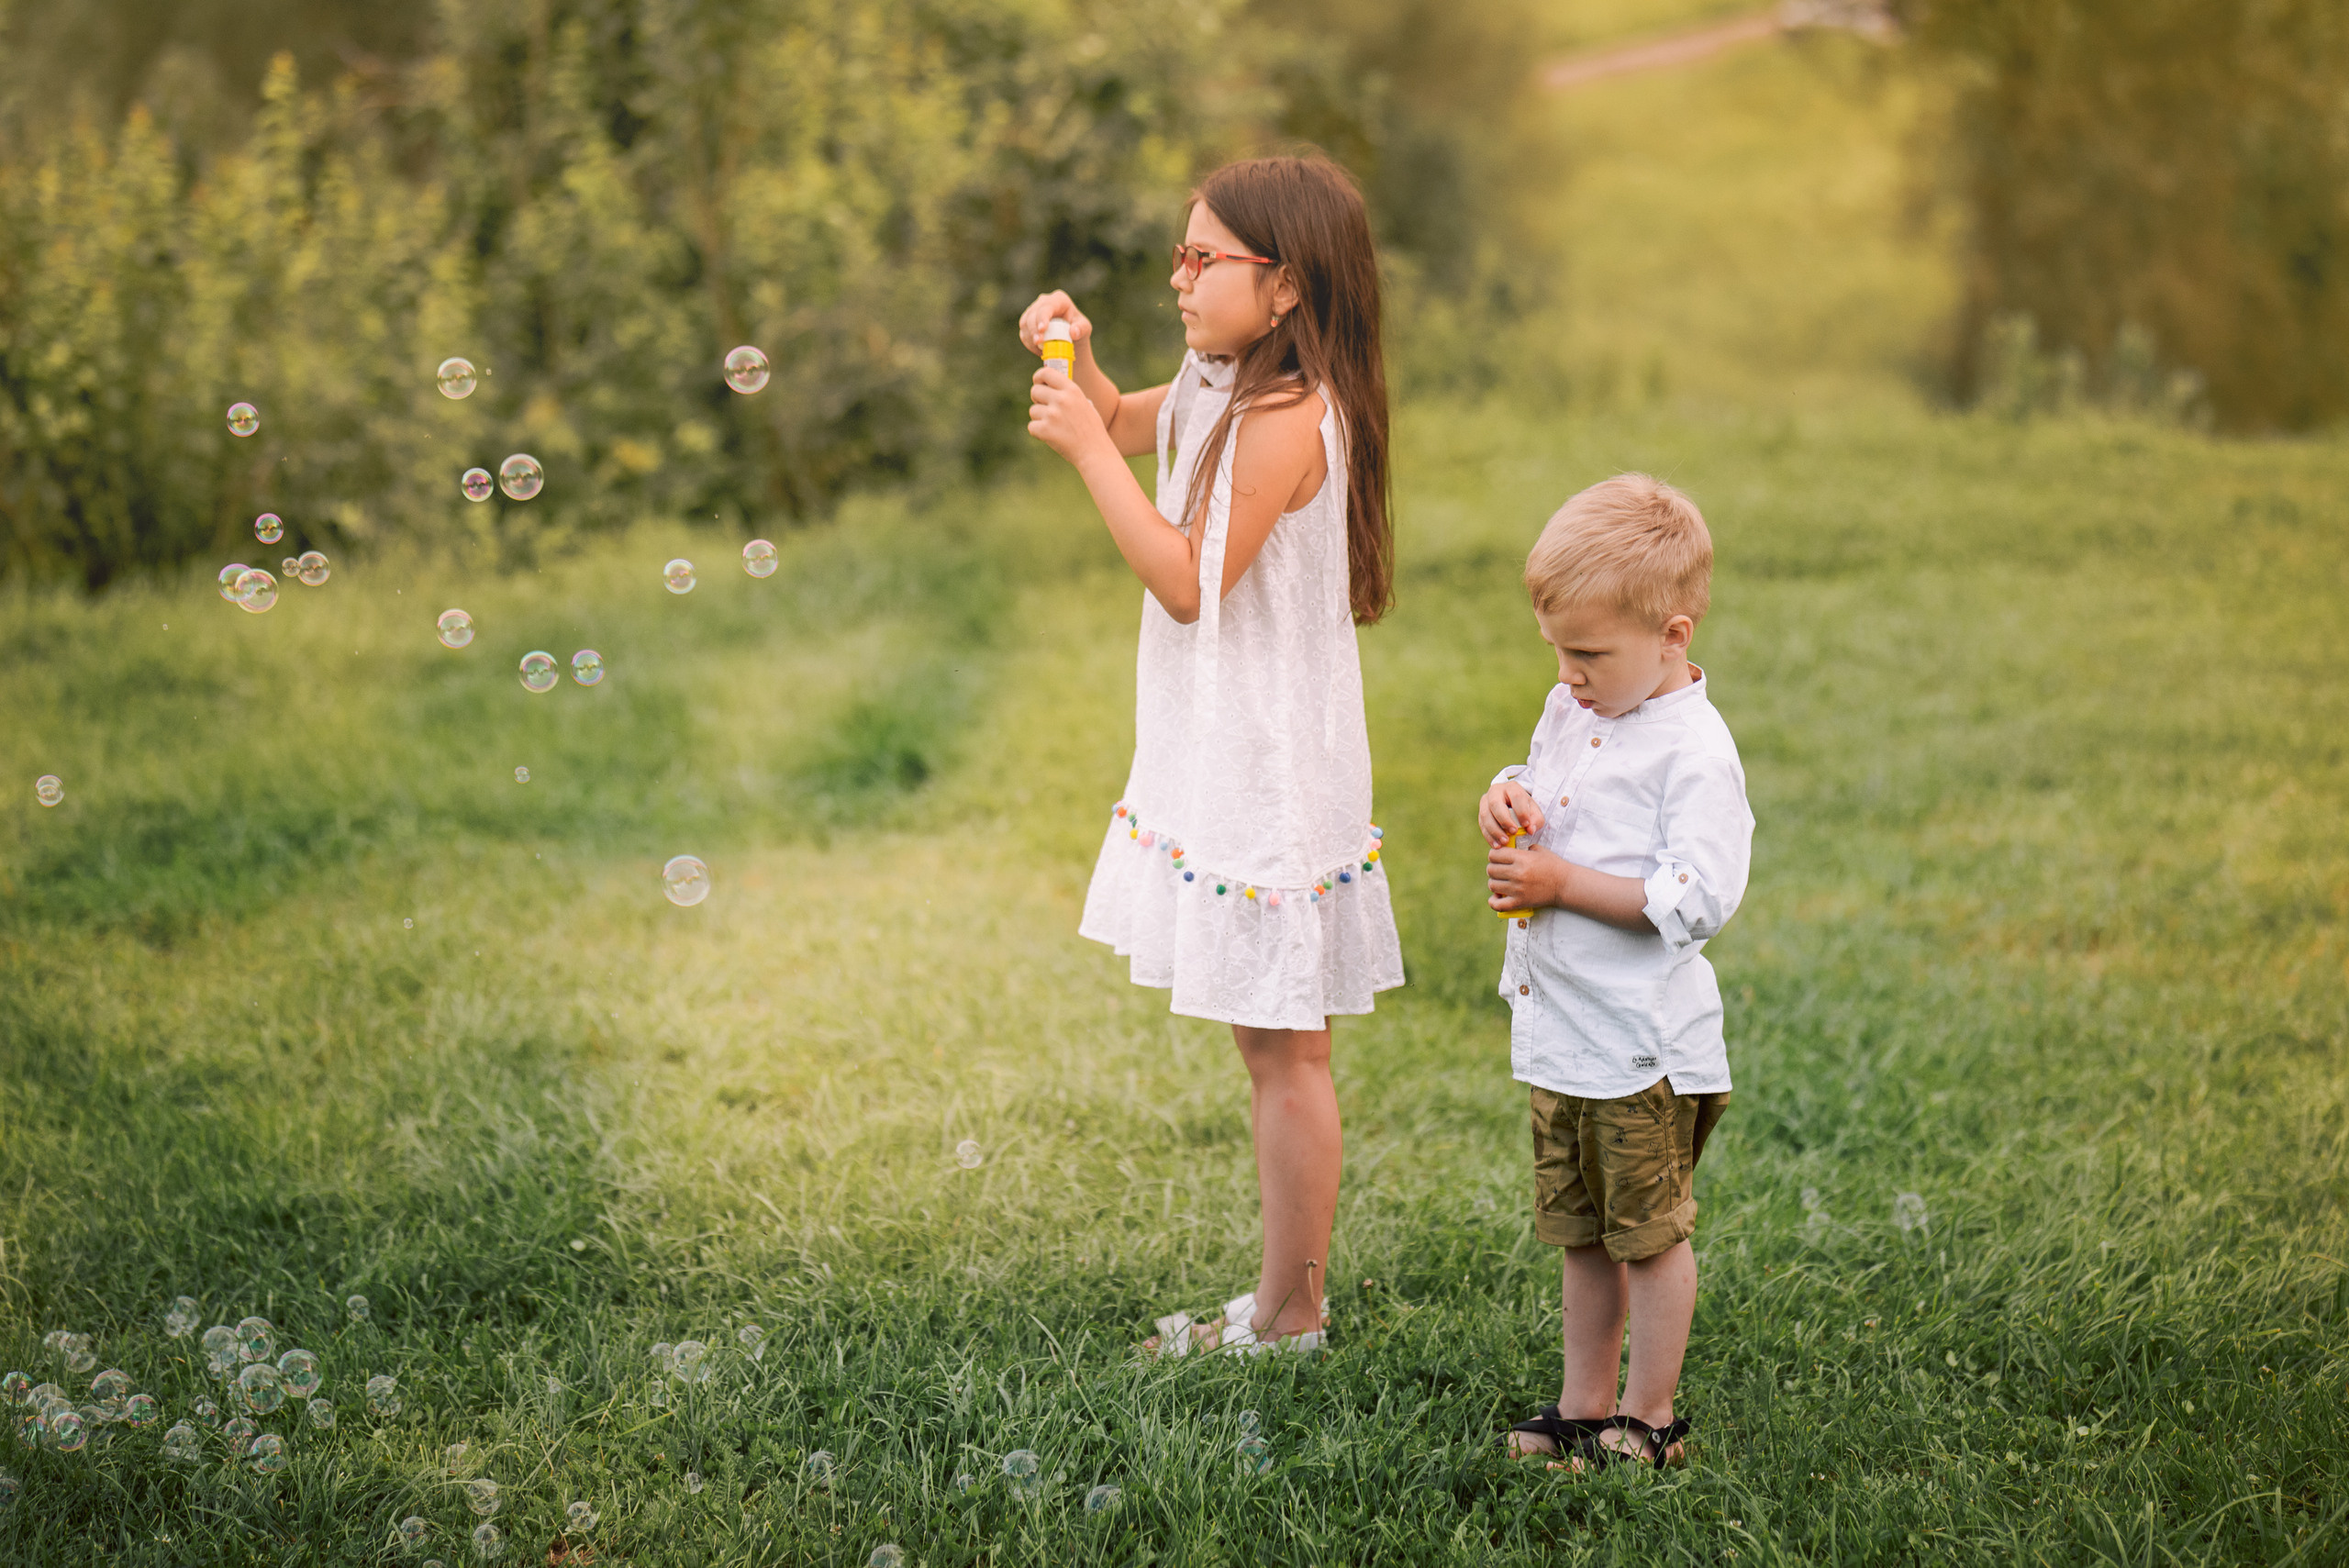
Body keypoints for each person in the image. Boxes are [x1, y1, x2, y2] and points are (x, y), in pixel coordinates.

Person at [1019, 154, 1404, 1355]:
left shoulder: (1293, 418)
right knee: (1267, 1046)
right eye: (1177, 254)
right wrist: (1080, 371)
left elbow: (1189, 580)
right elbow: (1145, 420)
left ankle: (1292, 1316)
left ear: (1285, 286)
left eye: (1204, 260)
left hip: (1275, 768)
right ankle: (1285, 1300)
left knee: (1289, 1053)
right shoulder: (1223, 374)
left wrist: (1086, 453)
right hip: (1225, 747)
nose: (1178, 279)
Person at [1479, 475, 1753, 1468]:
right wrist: (1506, 799)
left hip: (1640, 1048)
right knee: (1582, 1235)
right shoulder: (1576, 705)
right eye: (1557, 648)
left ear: (1671, 633)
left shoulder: (1693, 751)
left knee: (1648, 1238)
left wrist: (1557, 880)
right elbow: (1542, 780)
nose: (1566, 672)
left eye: (1588, 652)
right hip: (1565, 1036)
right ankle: (1581, 1404)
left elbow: (1691, 897)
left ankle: (1651, 1414)